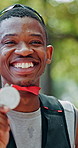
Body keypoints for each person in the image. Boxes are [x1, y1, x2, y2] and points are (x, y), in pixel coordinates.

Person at [0, 4, 78, 148]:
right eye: (10, 42)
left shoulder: (69, 116)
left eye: (35, 42)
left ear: (48, 54)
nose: (24, 51)